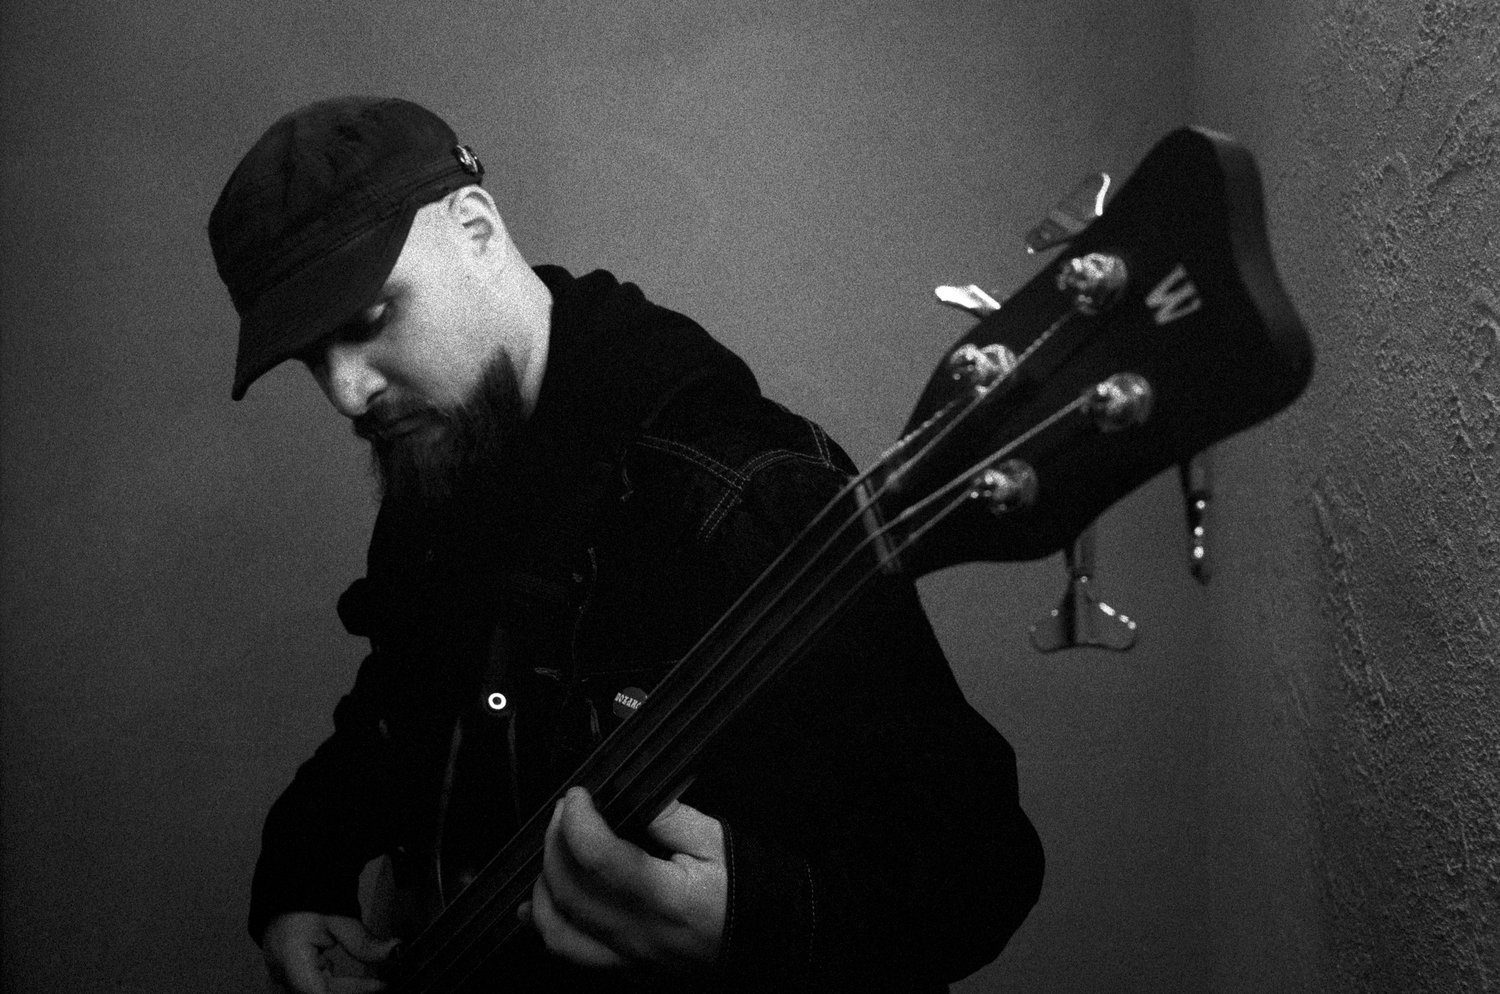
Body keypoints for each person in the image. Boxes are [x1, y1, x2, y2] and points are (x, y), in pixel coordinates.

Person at [209, 96, 1044, 994]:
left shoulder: (746, 494)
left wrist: (750, 921)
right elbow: (396, 710)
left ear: (477, 230)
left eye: (368, 321)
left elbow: (983, 866)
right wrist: (301, 875)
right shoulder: (444, 443)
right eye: (313, 357)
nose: (346, 393)